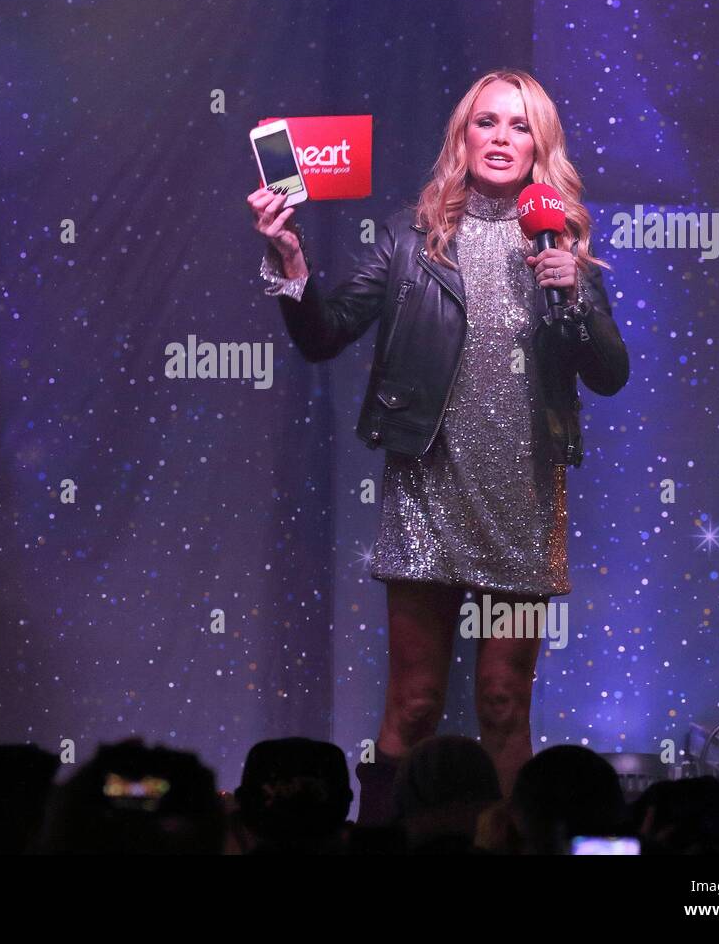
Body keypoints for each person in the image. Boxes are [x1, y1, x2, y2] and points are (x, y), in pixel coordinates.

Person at [248, 69, 629, 823]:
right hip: (427, 495)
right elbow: (325, 334)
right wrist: (291, 262)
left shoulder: (564, 245)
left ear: (540, 144)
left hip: (524, 502)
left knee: (503, 700)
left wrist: (575, 293)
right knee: (416, 701)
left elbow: (610, 374)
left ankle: (508, 843)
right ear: (463, 137)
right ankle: (383, 842)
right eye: (486, 122)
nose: (501, 138)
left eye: (520, 126)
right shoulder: (411, 236)